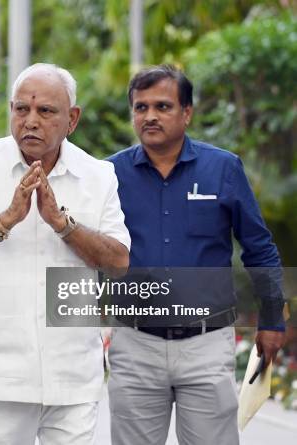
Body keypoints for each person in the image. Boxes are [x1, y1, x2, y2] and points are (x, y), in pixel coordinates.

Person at [0, 63, 131, 444]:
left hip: (72, 377)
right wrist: (4, 221)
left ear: (72, 119)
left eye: (46, 111)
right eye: (21, 109)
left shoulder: (98, 175)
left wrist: (62, 224)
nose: (31, 121)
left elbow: (119, 261)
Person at [107, 64, 286, 445]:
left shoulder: (222, 168)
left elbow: (259, 248)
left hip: (207, 344)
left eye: (162, 106)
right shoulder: (109, 175)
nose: (150, 116)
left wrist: (273, 320)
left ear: (187, 113)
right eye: (140, 107)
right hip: (135, 345)